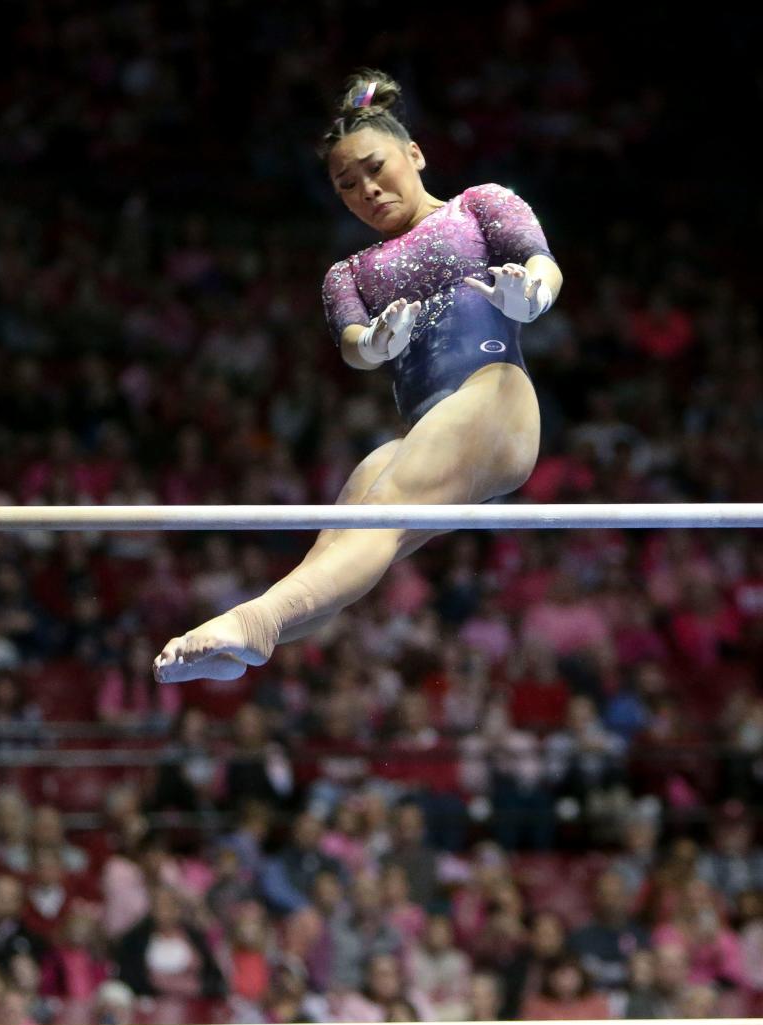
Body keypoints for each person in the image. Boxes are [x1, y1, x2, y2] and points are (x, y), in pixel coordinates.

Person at [154, 67, 561, 683]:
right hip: (430, 428)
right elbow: (352, 346)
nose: (366, 189)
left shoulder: (479, 205)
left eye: (375, 168)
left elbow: (540, 264)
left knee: (388, 508)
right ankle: (248, 646)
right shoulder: (350, 272)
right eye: (347, 184)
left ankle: (255, 622)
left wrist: (530, 297)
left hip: (496, 397)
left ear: (415, 153)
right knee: (345, 539)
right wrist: (374, 341)